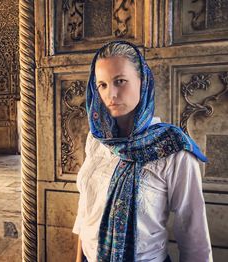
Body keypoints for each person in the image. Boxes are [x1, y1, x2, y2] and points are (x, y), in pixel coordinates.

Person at [72, 40, 213, 262]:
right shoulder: (97, 139)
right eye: (103, 85)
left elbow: (194, 237)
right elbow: (86, 210)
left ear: (142, 82)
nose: (112, 94)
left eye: (120, 81)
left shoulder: (172, 148)